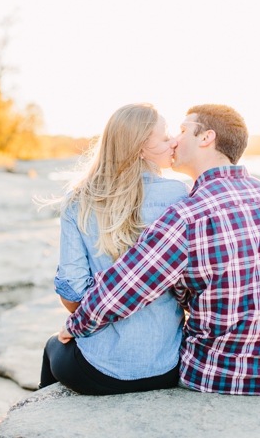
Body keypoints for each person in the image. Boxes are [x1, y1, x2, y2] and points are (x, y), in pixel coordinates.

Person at [58, 104, 260, 395]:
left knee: (59, 348)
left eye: (182, 131)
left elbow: (125, 289)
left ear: (206, 138)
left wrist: (75, 325)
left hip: (214, 373)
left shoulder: (190, 215)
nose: (175, 140)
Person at [40, 103, 188, 395]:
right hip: (167, 367)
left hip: (98, 370)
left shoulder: (79, 198)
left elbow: (72, 295)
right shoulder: (180, 194)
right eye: (165, 136)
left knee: (53, 346)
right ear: (140, 148)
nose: (174, 141)